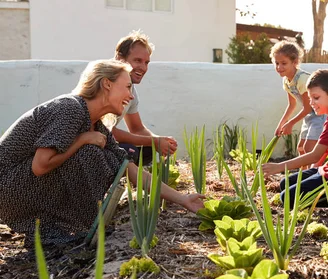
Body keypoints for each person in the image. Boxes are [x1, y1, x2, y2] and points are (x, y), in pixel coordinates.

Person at [0, 60, 204, 247]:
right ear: (107, 84)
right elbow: (40, 166)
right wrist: (81, 140)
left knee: (110, 156)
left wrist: (183, 199)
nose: (131, 96)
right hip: (8, 187)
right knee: (90, 152)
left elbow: (129, 169)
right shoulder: (69, 109)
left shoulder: (94, 123)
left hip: (20, 187)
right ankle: (68, 228)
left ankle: (64, 226)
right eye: (127, 87)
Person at [262, 69, 328, 209]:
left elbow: (315, 156)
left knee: (287, 197)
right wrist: (314, 175)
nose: (311, 103)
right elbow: (325, 151)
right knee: (285, 183)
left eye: (316, 97)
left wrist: (278, 167)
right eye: (309, 98)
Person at [113, 30, 177, 163]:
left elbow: (137, 128)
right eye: (137, 60)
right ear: (120, 59)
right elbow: (106, 131)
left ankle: (136, 181)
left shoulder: (131, 90)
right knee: (129, 151)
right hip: (90, 146)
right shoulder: (107, 85)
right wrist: (154, 141)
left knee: (147, 149)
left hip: (104, 141)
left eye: (146, 62)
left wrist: (161, 141)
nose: (143, 67)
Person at [270, 40, 326, 165]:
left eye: (284, 63)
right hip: (310, 116)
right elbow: (292, 105)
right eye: (276, 63)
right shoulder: (286, 81)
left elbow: (307, 108)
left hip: (321, 115)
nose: (279, 67)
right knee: (301, 149)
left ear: (295, 62)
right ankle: (303, 178)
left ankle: (316, 177)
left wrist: (290, 124)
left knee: (310, 150)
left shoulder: (302, 79)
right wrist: (281, 124)